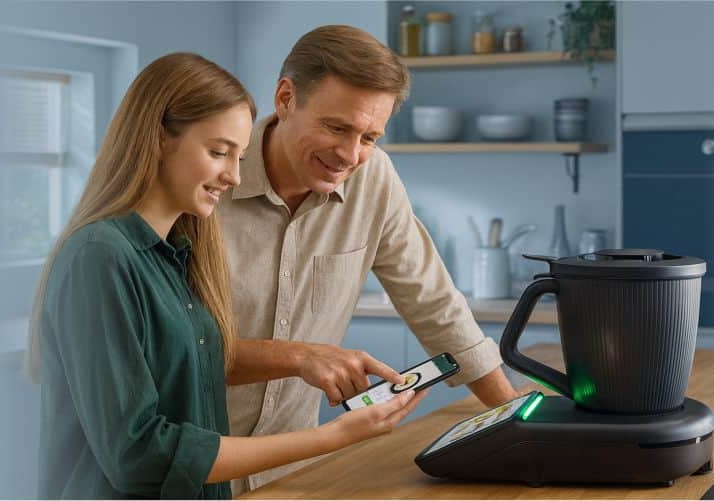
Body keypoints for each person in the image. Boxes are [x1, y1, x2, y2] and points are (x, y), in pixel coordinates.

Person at [25, 52, 429, 500]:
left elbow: (199, 374)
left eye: (238, 156)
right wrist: (334, 437)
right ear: (159, 137)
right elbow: (139, 455)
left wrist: (306, 359)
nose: (234, 177)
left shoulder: (181, 255)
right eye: (218, 152)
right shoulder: (100, 257)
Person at [216, 26, 521, 494]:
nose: (349, 155)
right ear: (285, 97)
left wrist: (513, 420)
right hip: (192, 471)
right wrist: (298, 356)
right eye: (337, 128)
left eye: (369, 137)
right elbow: (174, 350)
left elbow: (434, 303)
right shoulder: (208, 181)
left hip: (293, 472)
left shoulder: (373, 177)